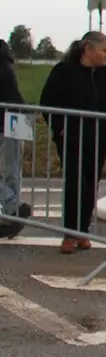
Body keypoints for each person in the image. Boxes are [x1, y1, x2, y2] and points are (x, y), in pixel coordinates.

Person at [38, 31, 106, 254]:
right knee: (76, 183)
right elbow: (48, 102)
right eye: (104, 50)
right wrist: (59, 128)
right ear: (88, 49)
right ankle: (69, 234)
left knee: (91, 184)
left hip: (98, 140)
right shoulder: (64, 72)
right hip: (72, 140)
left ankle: (83, 231)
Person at [0, 39, 31, 238]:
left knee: (10, 169)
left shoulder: (3, 67)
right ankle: (12, 215)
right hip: (17, 119)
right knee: (12, 170)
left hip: (7, 121)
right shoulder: (6, 62)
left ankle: (13, 209)